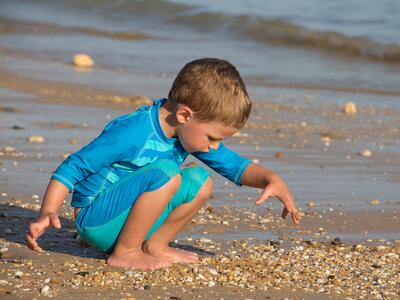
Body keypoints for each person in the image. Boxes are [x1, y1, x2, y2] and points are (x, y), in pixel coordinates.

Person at [26, 58, 301, 271]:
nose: (214, 146)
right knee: (167, 173)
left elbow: (235, 166)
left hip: (126, 221)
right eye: (212, 137)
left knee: (200, 181)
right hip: (96, 220)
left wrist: (270, 178)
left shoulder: (188, 133)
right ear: (184, 114)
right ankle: (125, 253)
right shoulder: (133, 132)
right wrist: (48, 211)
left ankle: (155, 245)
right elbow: (75, 166)